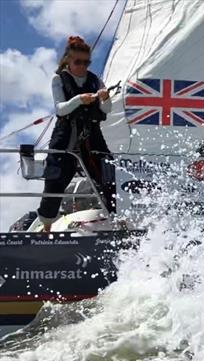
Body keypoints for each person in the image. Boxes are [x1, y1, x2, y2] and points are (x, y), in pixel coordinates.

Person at [37, 35, 113, 232]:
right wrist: (79, 99)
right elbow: (60, 109)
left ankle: (116, 219)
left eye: (86, 62)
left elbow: (106, 110)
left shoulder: (96, 80)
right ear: (67, 61)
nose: (82, 66)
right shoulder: (58, 79)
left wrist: (104, 99)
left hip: (91, 134)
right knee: (55, 178)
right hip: (66, 134)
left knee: (108, 174)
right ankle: (46, 227)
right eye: (78, 62)